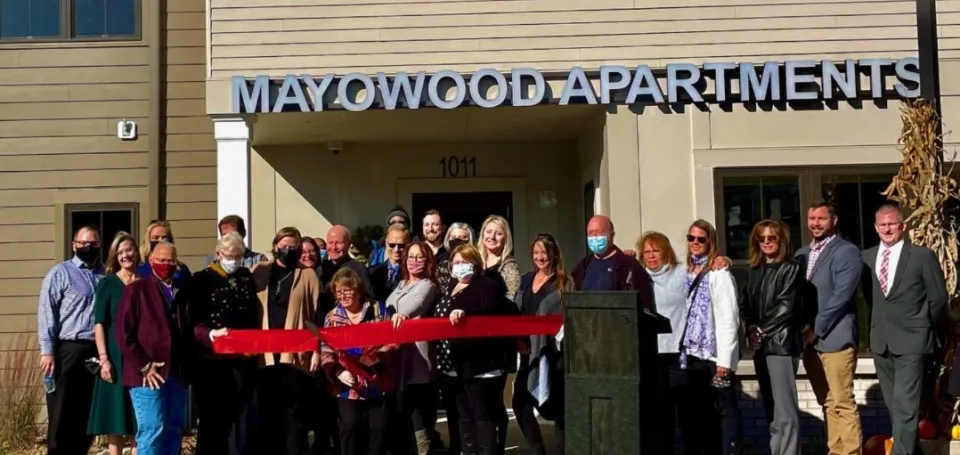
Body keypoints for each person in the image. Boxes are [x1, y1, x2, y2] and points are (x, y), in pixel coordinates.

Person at [862, 204, 947, 455]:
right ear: (876, 228)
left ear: (903, 226)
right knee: (894, 405)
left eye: (892, 223)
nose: (887, 228)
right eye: (882, 224)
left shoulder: (921, 256)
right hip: (881, 341)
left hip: (913, 341)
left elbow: (938, 298)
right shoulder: (866, 258)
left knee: (905, 405)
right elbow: (867, 299)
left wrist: (921, 325)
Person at [430, 243, 514, 455]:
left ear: (475, 264)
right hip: (455, 366)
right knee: (464, 419)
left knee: (483, 418)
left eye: (465, 262)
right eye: (456, 262)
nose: (460, 266)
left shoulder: (485, 285)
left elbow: (492, 311)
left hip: (481, 366)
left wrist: (466, 313)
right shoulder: (451, 287)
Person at [795, 201, 862, 455]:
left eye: (821, 218)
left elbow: (841, 297)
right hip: (809, 341)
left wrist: (816, 328)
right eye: (812, 218)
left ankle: (852, 452)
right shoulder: (802, 254)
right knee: (827, 402)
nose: (815, 223)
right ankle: (836, 451)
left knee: (842, 402)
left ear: (833, 220)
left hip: (835, 337)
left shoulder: (846, 251)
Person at [250, 227, 323, 455]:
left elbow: (316, 316)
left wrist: (318, 350)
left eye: (293, 247)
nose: (287, 250)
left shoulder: (308, 275)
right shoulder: (259, 271)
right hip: (265, 356)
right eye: (283, 246)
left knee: (295, 417)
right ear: (275, 246)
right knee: (268, 415)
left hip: (296, 357)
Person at [188, 232, 261, 455]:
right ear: (218, 254)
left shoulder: (246, 278)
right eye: (230, 256)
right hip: (212, 360)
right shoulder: (202, 279)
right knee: (212, 419)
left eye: (238, 256)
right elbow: (193, 320)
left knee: (241, 417)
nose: (234, 261)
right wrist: (209, 334)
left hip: (241, 359)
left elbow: (251, 314)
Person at [116, 242, 193, 455]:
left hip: (176, 373)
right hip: (147, 375)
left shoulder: (181, 293)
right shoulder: (136, 290)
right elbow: (124, 334)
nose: (166, 264)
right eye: (161, 260)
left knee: (172, 431)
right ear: (151, 261)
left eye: (171, 260)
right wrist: (144, 364)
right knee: (152, 431)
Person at [38, 224, 104, 455]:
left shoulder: (104, 275)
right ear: (74, 245)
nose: (88, 247)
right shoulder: (60, 273)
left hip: (96, 352)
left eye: (93, 243)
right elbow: (47, 312)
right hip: (68, 349)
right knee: (62, 410)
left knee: (86, 411)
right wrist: (47, 351)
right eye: (84, 243)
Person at [739, 220, 802, 455]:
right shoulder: (754, 270)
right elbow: (744, 304)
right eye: (761, 238)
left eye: (772, 238)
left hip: (781, 345)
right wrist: (751, 328)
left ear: (781, 240)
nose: (766, 242)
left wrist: (761, 331)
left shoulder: (791, 268)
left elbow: (786, 307)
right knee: (772, 408)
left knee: (785, 411)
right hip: (761, 346)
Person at [320, 267, 399, 455]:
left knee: (379, 429)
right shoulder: (331, 317)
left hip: (377, 379)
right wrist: (338, 372)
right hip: (348, 383)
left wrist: (375, 353)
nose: (343, 295)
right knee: (350, 427)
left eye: (347, 290)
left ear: (358, 289)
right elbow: (325, 351)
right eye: (338, 291)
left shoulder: (378, 309)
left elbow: (393, 341)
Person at [681, 220, 741, 455]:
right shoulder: (685, 272)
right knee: (703, 410)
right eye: (691, 238)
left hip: (716, 355)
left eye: (701, 239)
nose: (695, 243)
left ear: (710, 242)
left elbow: (729, 317)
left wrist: (724, 361)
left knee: (725, 409)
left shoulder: (719, 272)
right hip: (693, 354)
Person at [512, 233, 569, 455]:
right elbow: (516, 312)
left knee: (556, 408)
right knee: (520, 403)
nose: (540, 257)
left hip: (554, 355)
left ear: (554, 253)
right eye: (536, 252)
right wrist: (517, 340)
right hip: (528, 352)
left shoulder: (565, 282)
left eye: (544, 252)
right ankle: (538, 450)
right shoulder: (527, 279)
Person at [88, 232, 140, 455]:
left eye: (128, 249)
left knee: (140, 421)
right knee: (115, 422)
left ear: (136, 251)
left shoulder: (146, 281)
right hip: (115, 358)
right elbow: (99, 323)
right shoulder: (107, 283)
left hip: (141, 358)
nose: (125, 255)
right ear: (114, 257)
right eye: (120, 252)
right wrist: (104, 359)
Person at [387, 240, 441, 455]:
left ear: (428, 261)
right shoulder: (400, 283)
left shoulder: (427, 285)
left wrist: (400, 315)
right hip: (397, 354)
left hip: (416, 356)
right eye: (411, 256)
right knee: (401, 407)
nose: (414, 261)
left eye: (420, 257)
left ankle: (423, 450)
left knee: (417, 409)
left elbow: (415, 305)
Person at [571, 215, 653, 306]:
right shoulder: (582, 266)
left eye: (599, 232)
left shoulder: (629, 266)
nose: (594, 237)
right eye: (590, 233)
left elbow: (644, 304)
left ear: (612, 235)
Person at [137, 220, 192, 289]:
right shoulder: (139, 270)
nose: (160, 241)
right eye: (155, 238)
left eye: (164, 237)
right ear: (148, 240)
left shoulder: (181, 270)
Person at [203, 215, 268, 268]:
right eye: (225, 235)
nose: (229, 238)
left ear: (243, 233)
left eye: (233, 234)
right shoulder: (211, 260)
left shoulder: (258, 259)